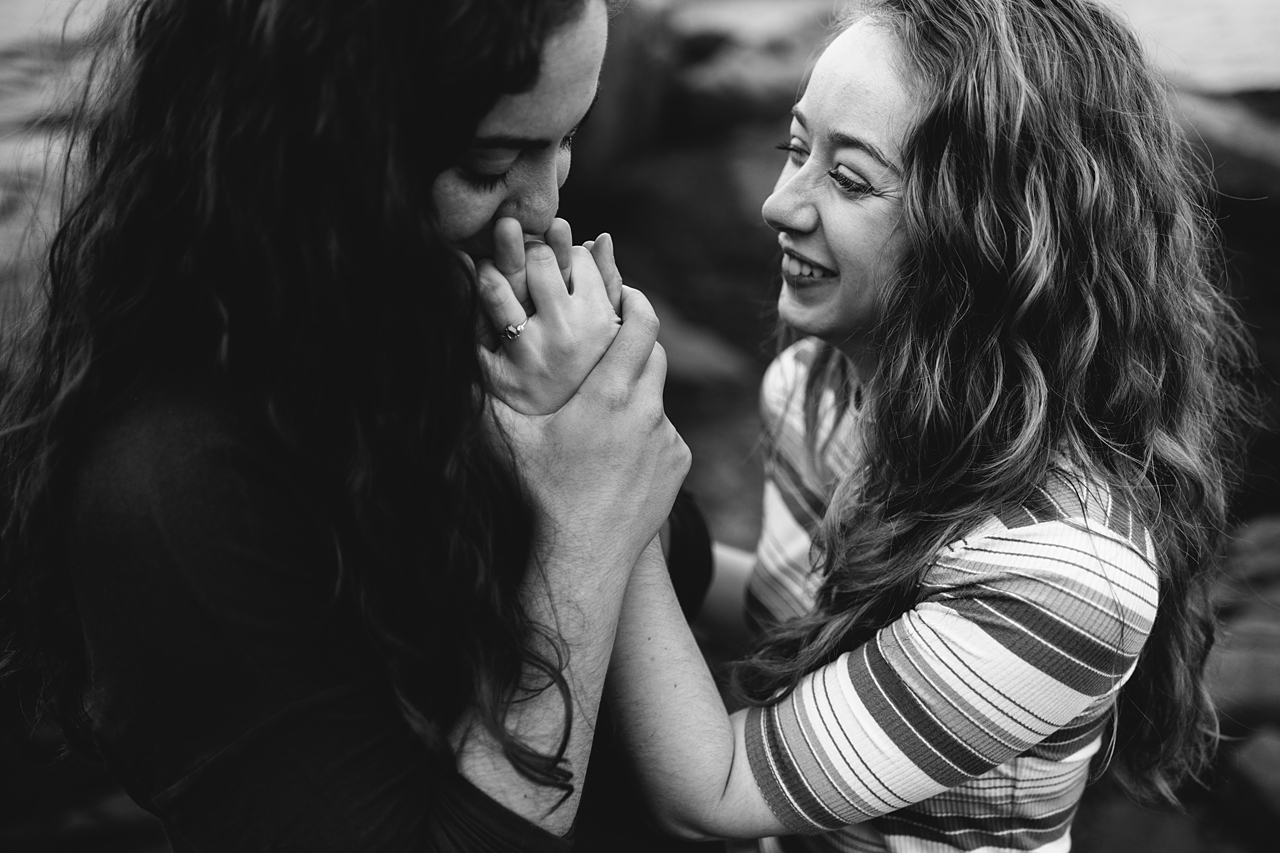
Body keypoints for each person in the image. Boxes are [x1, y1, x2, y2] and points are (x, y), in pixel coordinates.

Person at [0, 1, 694, 851]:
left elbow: (675, 593)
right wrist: (582, 528)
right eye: (492, 159)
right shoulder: (172, 486)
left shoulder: (444, 316)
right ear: (326, 141)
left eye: (568, 136)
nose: (547, 203)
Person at [587, 1, 1254, 851]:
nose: (778, 203)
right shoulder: (818, 386)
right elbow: (806, 620)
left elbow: (712, 789)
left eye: (851, 178)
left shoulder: (1068, 574)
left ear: (988, 233)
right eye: (797, 149)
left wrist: (608, 487)